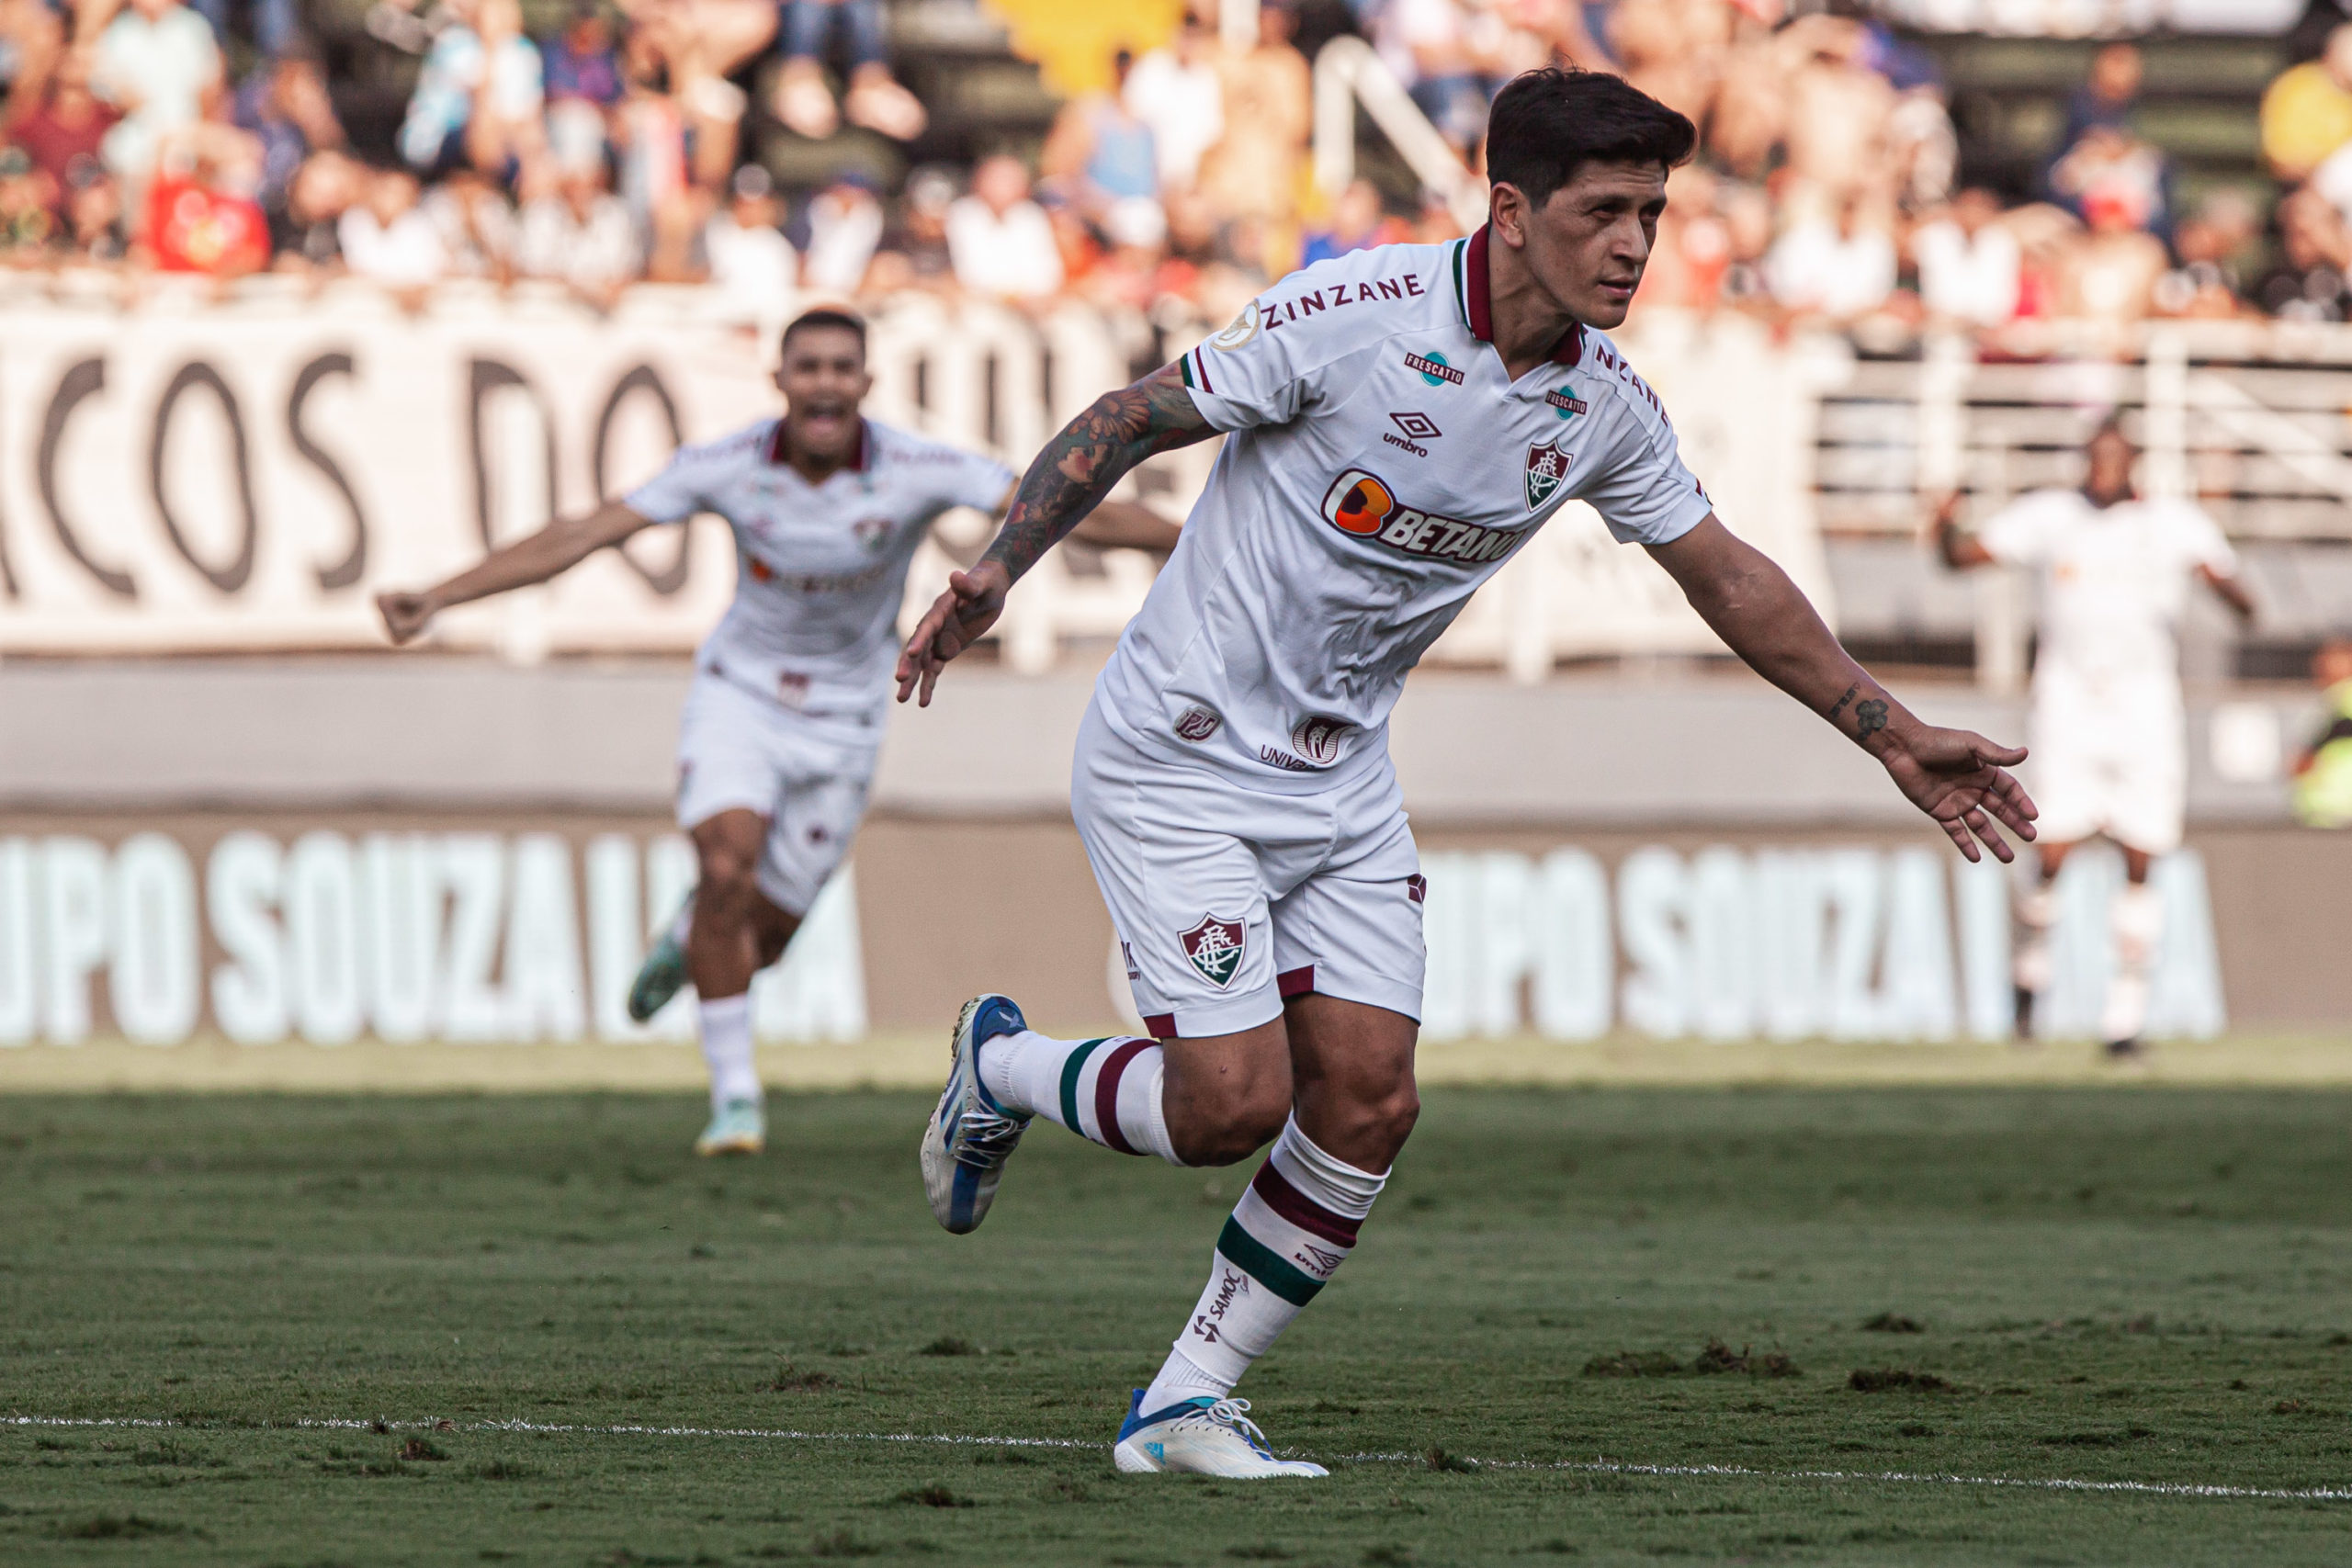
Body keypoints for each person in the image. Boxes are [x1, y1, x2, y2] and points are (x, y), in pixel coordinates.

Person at [896, 67, 2037, 1478]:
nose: (1634, 244)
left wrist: (1889, 729)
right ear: (1509, 211)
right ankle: (1001, 1067)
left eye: (1651, 214)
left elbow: (1725, 575)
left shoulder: (1604, 402)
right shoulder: (1355, 316)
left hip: (1340, 780)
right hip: (1178, 751)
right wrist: (998, 569)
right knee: (1231, 1106)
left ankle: (1184, 1401)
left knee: (1370, 1100)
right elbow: (1133, 416)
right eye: (1603, 211)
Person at [377, 310, 1166, 1156]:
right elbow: (584, 532)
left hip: (847, 720)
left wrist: (1190, 536)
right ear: (780, 380)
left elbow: (1062, 500)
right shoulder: (725, 465)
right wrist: (442, 595)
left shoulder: (917, 468)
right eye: (808, 367)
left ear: (865, 383)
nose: (824, 383)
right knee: (726, 865)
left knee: (760, 938)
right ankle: (736, 1101)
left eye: (841, 368)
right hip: (741, 698)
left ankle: (686, 941)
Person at [1934, 417, 2253, 1058]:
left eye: (2116, 455)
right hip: (2067, 708)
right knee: (2051, 852)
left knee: (2141, 855)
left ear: (2134, 460)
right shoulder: (2051, 516)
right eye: (2096, 455)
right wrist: (1945, 523)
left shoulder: (2173, 523)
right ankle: (2029, 981)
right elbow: (1961, 558)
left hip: (2145, 711)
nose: (2104, 466)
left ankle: (2123, 1021)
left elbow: (2241, 596)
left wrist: (2226, 588)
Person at [944, 154, 1061, 302]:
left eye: (1010, 180)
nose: (1002, 187)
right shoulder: (962, 213)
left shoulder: (1032, 215)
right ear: (979, 182)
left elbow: (1046, 272)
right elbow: (970, 272)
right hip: (977, 301)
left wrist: (1026, 295)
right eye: (997, 179)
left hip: (1031, 302)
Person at [2291, 638, 2352, 829]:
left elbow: (2306, 758)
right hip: (2326, 813)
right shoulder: (2330, 701)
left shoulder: (2342, 700)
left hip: (2336, 810)